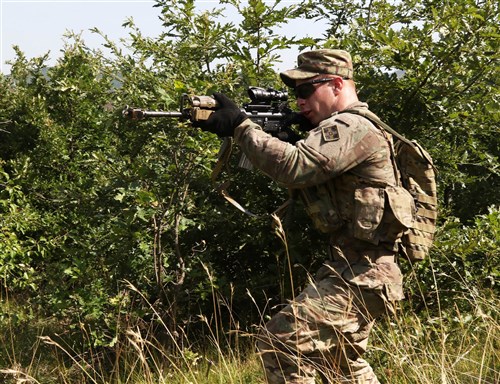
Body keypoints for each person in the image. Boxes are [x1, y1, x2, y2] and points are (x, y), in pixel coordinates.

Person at [195, 49, 414, 384]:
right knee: (339, 365)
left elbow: (295, 167)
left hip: (365, 274)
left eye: (306, 90)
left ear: (337, 84)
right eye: (296, 93)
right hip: (353, 271)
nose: (299, 101)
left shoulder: (350, 126)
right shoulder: (339, 129)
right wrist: (266, 133)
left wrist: (242, 127)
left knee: (280, 342)